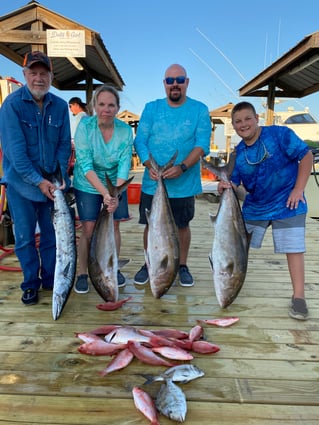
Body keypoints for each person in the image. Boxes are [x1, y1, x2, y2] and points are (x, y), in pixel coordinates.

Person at [218, 101, 313, 320]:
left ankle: (299, 297)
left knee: (294, 248)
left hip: (288, 202)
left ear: (256, 118)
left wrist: (299, 189)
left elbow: (306, 156)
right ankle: (229, 281)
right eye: (238, 121)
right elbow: (236, 187)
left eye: (247, 119)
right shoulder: (238, 154)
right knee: (238, 245)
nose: (243, 125)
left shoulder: (280, 135)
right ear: (233, 125)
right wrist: (226, 186)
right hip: (256, 205)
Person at [0, 51, 71, 306]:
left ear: (51, 76)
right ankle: (30, 282)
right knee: (25, 238)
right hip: (21, 187)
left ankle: (51, 279)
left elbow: (64, 145)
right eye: (33, 73)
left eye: (44, 73)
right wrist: (39, 182)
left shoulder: (61, 107)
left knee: (52, 238)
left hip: (52, 187)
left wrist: (60, 176)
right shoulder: (11, 105)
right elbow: (15, 154)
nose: (38, 78)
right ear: (25, 75)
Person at [133, 63, 211, 287]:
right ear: (164, 84)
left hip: (184, 184)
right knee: (150, 224)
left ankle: (182, 264)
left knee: (182, 225)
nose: (174, 84)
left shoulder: (199, 109)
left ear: (187, 82)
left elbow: (202, 145)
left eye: (179, 79)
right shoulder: (151, 108)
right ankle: (149, 263)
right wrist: (149, 165)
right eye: (169, 80)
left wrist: (183, 167)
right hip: (153, 182)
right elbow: (140, 140)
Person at [72, 84, 133, 293]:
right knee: (88, 229)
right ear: (94, 106)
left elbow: (125, 164)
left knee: (114, 226)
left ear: (117, 108)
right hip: (87, 182)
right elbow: (85, 165)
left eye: (111, 105)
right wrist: (105, 193)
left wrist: (114, 194)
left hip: (115, 183)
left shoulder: (125, 131)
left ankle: (112, 267)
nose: (106, 109)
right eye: (102, 104)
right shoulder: (85, 127)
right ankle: (82, 272)